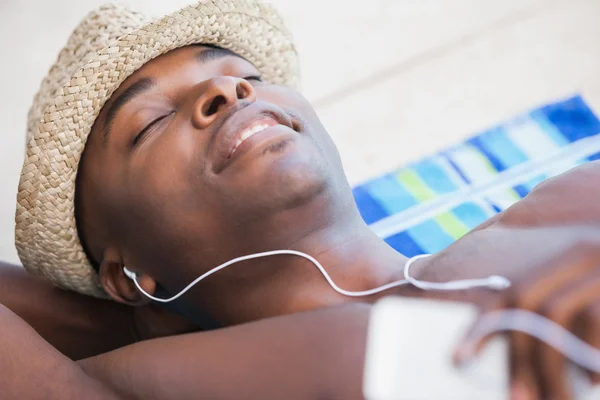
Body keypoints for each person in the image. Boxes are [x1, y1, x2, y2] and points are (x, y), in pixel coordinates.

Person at [3, 0, 600, 398]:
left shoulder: (572, 203)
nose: (225, 89)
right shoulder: (146, 383)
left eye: (248, 76)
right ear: (131, 278)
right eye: (151, 122)